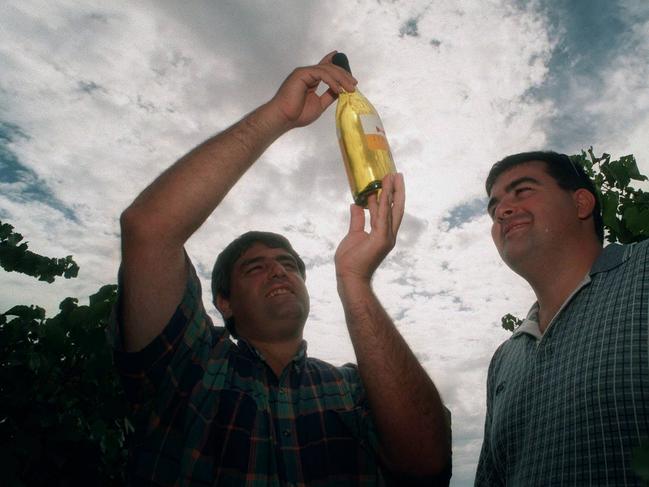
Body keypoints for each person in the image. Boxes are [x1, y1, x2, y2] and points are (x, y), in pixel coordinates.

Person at [109, 51, 451, 486]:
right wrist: (279, 116)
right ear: (223, 302)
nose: (278, 272)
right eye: (255, 268)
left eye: (289, 264)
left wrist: (356, 281)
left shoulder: (351, 390)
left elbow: (427, 464)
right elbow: (148, 229)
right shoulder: (189, 369)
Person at [475, 151, 649, 485]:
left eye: (522, 191)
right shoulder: (504, 360)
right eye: (493, 206)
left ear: (582, 203)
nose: (501, 211)